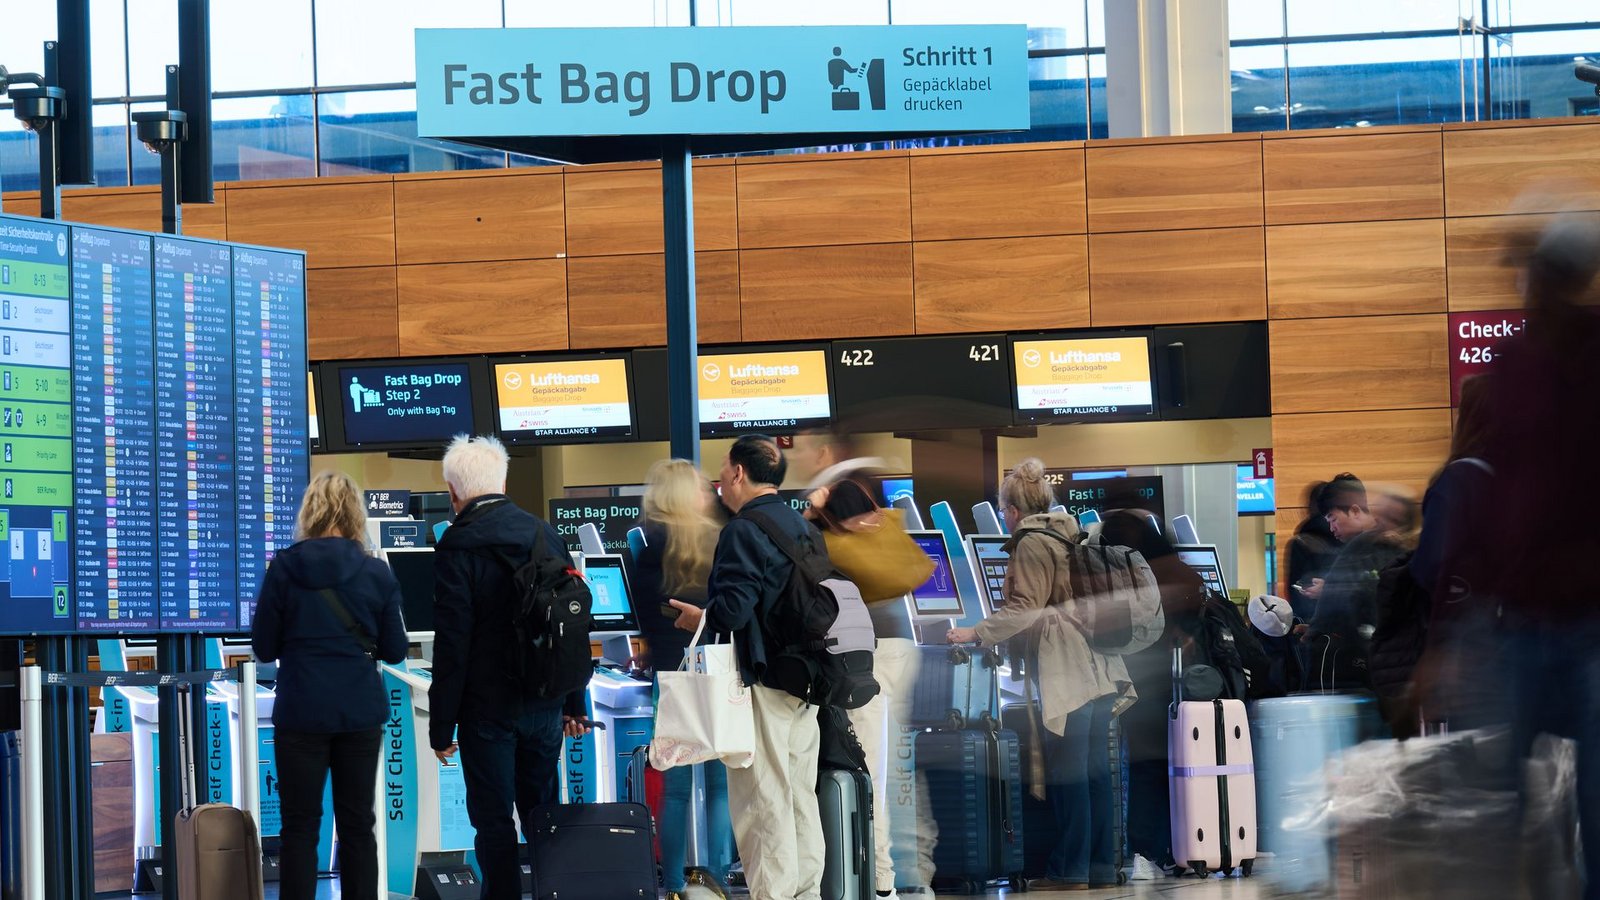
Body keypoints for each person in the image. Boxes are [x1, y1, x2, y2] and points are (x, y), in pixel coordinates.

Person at [1482, 214, 1600, 899]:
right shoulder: (1514, 366)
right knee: (1505, 792)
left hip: (1585, 611)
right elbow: (1499, 490)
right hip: (1524, 613)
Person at [948, 459, 1134, 892]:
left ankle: (1071, 870)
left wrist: (976, 631)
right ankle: (1101, 867)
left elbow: (1025, 606)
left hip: (1068, 669)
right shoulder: (1069, 532)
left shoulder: (1031, 542)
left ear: (1012, 510)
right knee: (1095, 773)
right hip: (1102, 664)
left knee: (1070, 773)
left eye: (1003, 510)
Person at [428, 434, 590, 900]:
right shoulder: (544, 533)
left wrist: (441, 726)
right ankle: (552, 893)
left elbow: (453, 644)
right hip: (544, 703)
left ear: (453, 493)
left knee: (493, 821)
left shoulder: (457, 545)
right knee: (543, 816)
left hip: (487, 709)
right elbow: (570, 625)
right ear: (503, 482)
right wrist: (573, 703)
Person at [670, 435, 827, 900]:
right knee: (799, 793)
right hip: (808, 679)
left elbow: (734, 610)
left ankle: (773, 894)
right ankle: (806, 893)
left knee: (763, 796)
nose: (719, 478)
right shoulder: (802, 527)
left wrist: (702, 618)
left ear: (738, 472)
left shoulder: (744, 530)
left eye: (724, 468)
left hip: (764, 679)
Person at [251, 471, 409, 900]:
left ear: (310, 513)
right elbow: (395, 650)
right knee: (358, 825)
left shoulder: (284, 569)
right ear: (356, 514)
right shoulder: (376, 573)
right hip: (359, 713)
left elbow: (263, 648)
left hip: (301, 712)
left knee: (299, 828)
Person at [795, 428, 925, 899]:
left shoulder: (836, 496)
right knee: (887, 769)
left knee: (868, 770)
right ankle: (898, 872)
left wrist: (812, 515)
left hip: (867, 655)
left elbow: (809, 565)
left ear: (825, 452)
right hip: (896, 644)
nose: (799, 457)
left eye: (804, 449)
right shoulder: (867, 494)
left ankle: (881, 880)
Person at [634, 459, 734, 900]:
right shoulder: (723, 539)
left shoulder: (648, 544)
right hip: (718, 671)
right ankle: (718, 880)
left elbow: (644, 614)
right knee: (720, 785)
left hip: (672, 675)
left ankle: (674, 886)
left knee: (674, 788)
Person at [1098, 510, 1204, 878]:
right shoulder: (1171, 566)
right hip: (1170, 680)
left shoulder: (1130, 570)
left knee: (1146, 767)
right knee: (1166, 764)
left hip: (1142, 677)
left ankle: (1146, 848)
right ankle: (1174, 845)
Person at [1305, 475, 1417, 693]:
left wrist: (1319, 622)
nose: (1331, 528)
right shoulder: (1369, 546)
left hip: (1363, 664)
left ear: (1355, 511)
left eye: (1333, 519)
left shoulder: (1366, 546)